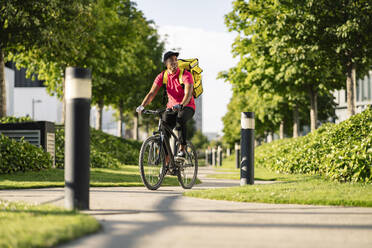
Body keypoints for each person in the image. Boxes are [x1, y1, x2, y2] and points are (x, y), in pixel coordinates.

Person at [136, 51, 195, 167]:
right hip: (171, 107)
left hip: (187, 106)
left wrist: (181, 105)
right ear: (165, 63)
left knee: (180, 119)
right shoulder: (162, 76)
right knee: (163, 129)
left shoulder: (185, 74)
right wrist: (142, 106)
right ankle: (168, 161)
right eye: (171, 60)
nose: (174, 62)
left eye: (175, 59)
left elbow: (188, 93)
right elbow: (152, 93)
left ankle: (182, 149)